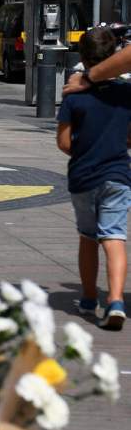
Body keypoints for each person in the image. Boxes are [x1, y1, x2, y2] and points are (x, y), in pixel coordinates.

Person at [56, 27, 131, 331]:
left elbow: (63, 143)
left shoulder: (74, 97)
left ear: (82, 59)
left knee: (88, 237)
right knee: (114, 237)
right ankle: (115, 300)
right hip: (118, 175)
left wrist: (84, 145)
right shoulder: (127, 94)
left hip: (84, 176)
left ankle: (88, 298)